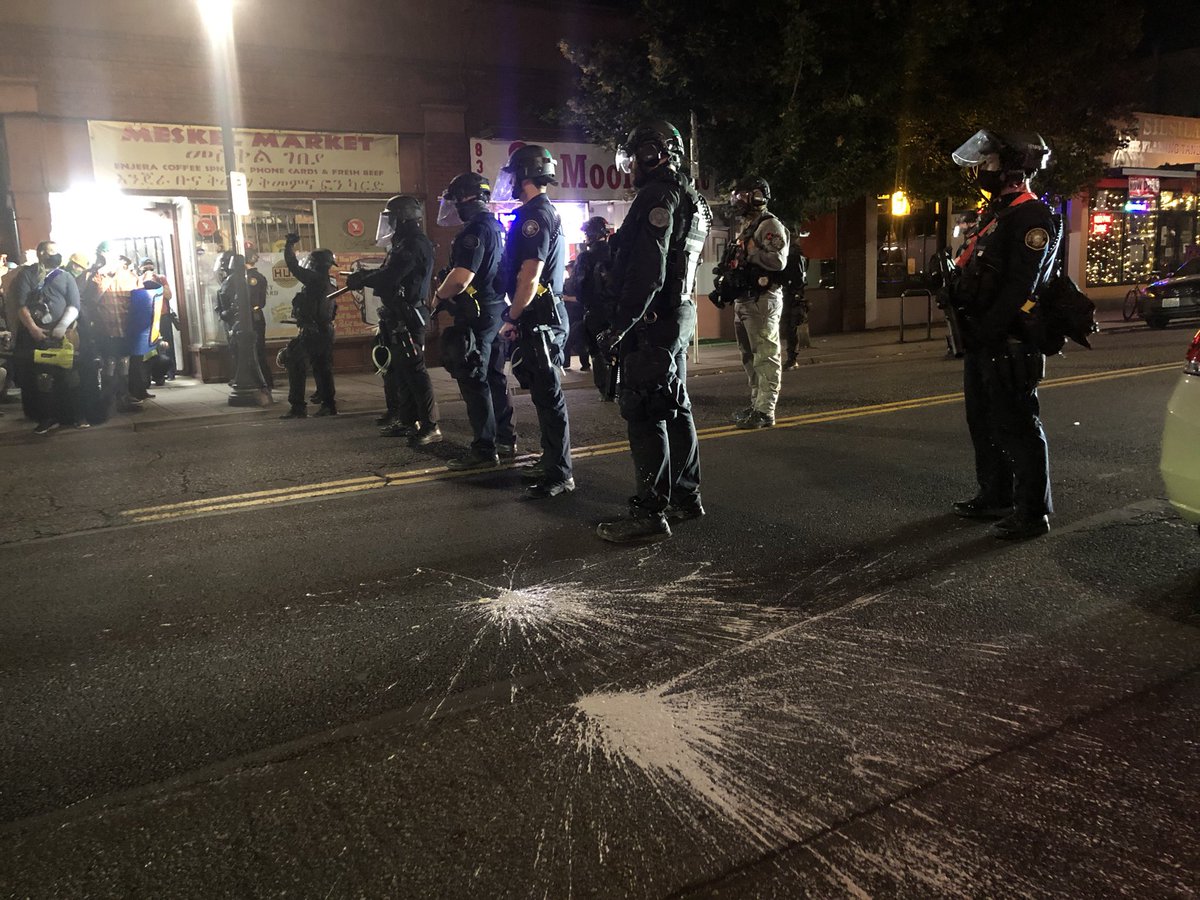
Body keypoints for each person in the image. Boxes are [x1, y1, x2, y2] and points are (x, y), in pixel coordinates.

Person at [594, 120, 712, 543]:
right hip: (676, 316)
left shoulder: (657, 195)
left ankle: (650, 513)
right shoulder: (692, 197)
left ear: (652, 153)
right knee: (676, 407)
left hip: (652, 321)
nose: (631, 168)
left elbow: (647, 272)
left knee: (644, 411)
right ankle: (685, 496)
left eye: (635, 157)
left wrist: (619, 327)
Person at [948, 129, 1055, 540]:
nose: (982, 170)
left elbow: (1021, 286)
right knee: (983, 419)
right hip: (983, 337)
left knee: (1018, 425)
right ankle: (994, 494)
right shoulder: (999, 213)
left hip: (1009, 339)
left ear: (1013, 168)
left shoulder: (1032, 217)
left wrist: (989, 330)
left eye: (989, 163)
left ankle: (1032, 512)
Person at [495, 144, 574, 499]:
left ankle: (560, 472)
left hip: (541, 317)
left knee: (549, 394)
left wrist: (511, 316)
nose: (510, 182)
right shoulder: (541, 211)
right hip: (539, 315)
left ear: (525, 174)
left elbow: (530, 275)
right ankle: (551, 460)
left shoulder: (534, 217)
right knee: (543, 396)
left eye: (513, 175)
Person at [432, 172, 517, 470]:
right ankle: (505, 439)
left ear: (466, 198)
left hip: (477, 313)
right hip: (493, 309)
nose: (453, 205)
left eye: (455, 199)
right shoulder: (494, 226)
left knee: (473, 377)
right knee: (494, 376)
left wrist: (439, 297)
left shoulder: (475, 231)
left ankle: (484, 448)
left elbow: (461, 277)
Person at [346, 195, 441, 445]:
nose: (388, 224)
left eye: (391, 218)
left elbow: (392, 276)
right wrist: (365, 275)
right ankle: (409, 420)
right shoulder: (403, 243)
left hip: (409, 316)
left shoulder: (414, 244)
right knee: (401, 371)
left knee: (415, 371)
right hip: (397, 314)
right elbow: (388, 273)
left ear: (402, 218)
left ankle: (431, 425)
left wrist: (364, 278)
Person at [728, 176, 789, 429]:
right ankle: (756, 404)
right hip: (745, 299)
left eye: (743, 196)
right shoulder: (748, 225)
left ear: (757, 196)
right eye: (737, 196)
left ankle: (765, 410)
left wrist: (752, 252)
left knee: (765, 356)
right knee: (749, 357)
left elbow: (778, 261)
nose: (738, 201)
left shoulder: (768, 224)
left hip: (762, 300)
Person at [11, 241, 84, 433]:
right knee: (44, 378)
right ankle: (47, 418)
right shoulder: (27, 275)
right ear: (41, 253)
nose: (56, 254)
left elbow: (75, 305)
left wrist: (62, 326)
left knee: (71, 375)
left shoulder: (66, 277)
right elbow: (21, 306)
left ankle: (76, 415)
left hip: (64, 334)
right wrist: (33, 328)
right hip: (37, 335)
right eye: (52, 252)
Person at [279, 235, 337, 418]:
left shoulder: (315, 280)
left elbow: (292, 265)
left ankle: (298, 407)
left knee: (295, 364)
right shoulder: (327, 282)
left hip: (313, 332)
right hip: (324, 331)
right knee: (322, 368)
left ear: (314, 264)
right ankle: (328, 405)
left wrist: (289, 245)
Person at [567, 215, 613, 397]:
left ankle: (606, 390)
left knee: (597, 351)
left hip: (594, 310)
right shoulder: (616, 252)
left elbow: (576, 286)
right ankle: (619, 386)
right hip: (617, 310)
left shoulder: (586, 257)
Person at [244, 249, 272, 388]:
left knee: (256, 349)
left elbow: (252, 300)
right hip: (256, 315)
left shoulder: (250, 278)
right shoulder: (257, 276)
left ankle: (263, 380)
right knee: (258, 348)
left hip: (252, 316)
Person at [780, 235, 809, 369]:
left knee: (789, 327)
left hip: (790, 295)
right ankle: (791, 357)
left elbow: (794, 278)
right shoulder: (799, 256)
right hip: (793, 294)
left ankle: (792, 358)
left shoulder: (792, 256)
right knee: (790, 327)